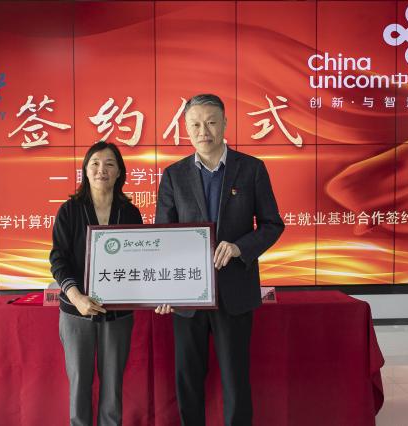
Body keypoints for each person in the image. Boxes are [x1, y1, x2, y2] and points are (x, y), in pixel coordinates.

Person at [155, 94, 285, 425]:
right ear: (186, 128)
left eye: (211, 122)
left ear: (225, 123)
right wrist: (164, 290)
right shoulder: (174, 175)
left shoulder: (251, 169)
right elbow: (162, 238)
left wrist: (240, 248)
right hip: (186, 295)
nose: (204, 131)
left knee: (235, 379)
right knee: (188, 379)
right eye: (195, 124)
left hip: (235, 291)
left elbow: (272, 225)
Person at [50, 141, 143, 426]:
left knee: (113, 387)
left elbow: (141, 260)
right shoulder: (70, 210)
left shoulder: (130, 213)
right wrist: (77, 297)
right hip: (76, 311)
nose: (102, 170)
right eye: (95, 164)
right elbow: (58, 259)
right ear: (85, 170)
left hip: (118, 314)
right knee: (79, 383)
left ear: (119, 172)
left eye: (109, 164)